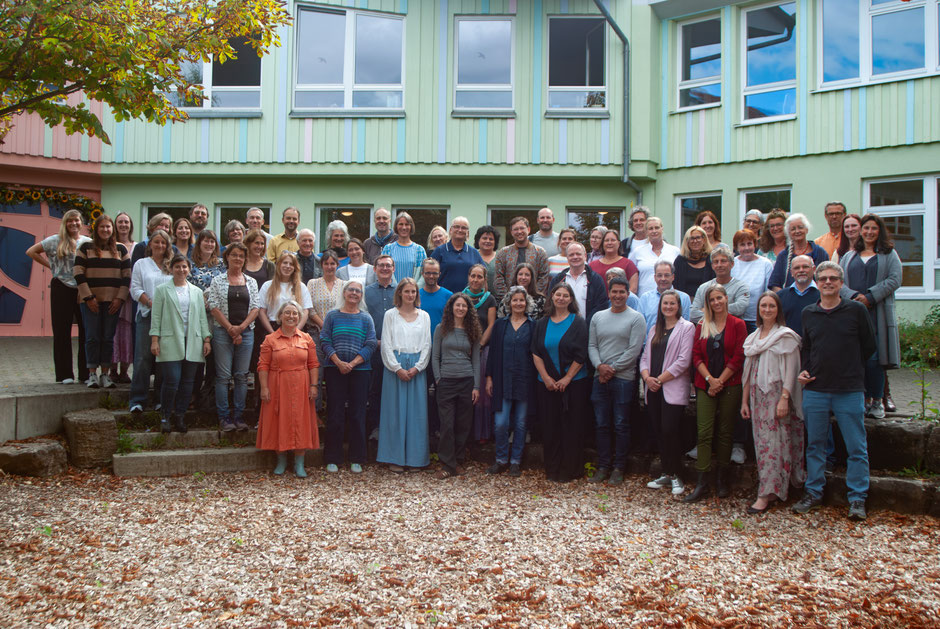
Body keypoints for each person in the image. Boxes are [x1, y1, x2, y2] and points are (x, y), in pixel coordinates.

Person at [793, 261, 876, 521]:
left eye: (833, 278)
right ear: (817, 283)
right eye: (823, 279)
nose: (828, 282)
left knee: (856, 447)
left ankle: (858, 498)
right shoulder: (809, 312)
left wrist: (849, 368)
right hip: (816, 389)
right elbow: (808, 347)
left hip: (848, 389)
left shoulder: (856, 310)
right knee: (815, 445)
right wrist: (805, 369)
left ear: (841, 283)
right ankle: (814, 492)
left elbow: (869, 346)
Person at [741, 291, 805, 514]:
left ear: (778, 310)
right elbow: (747, 373)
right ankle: (771, 488)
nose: (767, 310)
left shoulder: (786, 337)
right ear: (758, 309)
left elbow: (792, 371)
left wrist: (784, 399)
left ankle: (767, 492)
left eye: (771, 306)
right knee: (763, 446)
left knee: (776, 444)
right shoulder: (753, 338)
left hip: (777, 396)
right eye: (763, 306)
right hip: (757, 398)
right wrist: (744, 402)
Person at [684, 284, 747, 503]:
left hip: (730, 383)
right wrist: (711, 379)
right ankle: (702, 480)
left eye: (719, 298)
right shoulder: (703, 324)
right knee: (704, 432)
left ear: (726, 299)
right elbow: (696, 355)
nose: (716, 302)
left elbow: (739, 356)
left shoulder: (738, 324)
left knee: (725, 432)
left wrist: (721, 380)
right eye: (712, 300)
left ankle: (722, 478)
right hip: (705, 383)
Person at [838, 213, 902, 420]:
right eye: (866, 228)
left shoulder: (889, 254)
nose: (869, 232)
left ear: (879, 231)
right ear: (861, 231)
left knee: (875, 360)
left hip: (877, 315)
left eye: (874, 228)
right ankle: (862, 400)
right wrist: (853, 296)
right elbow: (839, 281)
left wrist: (870, 297)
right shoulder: (849, 256)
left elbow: (895, 279)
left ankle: (877, 401)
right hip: (853, 314)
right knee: (857, 360)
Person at [587, 276, 647, 486]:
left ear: (628, 294)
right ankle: (603, 465)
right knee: (601, 424)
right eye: (615, 291)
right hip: (599, 377)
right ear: (609, 293)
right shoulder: (598, 317)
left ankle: (619, 467)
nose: (618, 295)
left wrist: (612, 369)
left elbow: (634, 350)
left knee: (621, 424)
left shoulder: (636, 318)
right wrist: (599, 366)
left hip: (623, 378)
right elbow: (592, 345)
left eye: (622, 292)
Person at [532, 283, 590, 483]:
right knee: (550, 426)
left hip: (574, 384)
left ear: (571, 299)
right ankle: (552, 468)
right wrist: (546, 378)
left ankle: (570, 469)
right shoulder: (542, 323)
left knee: (571, 427)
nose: (561, 298)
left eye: (566, 295)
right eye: (558, 294)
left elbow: (581, 354)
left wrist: (567, 378)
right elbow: (535, 352)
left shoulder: (578, 323)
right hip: (546, 384)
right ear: (552, 297)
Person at [25, 209, 91, 384]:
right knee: (62, 331)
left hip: (83, 288)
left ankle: (86, 374)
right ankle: (64, 375)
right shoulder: (54, 240)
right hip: (61, 287)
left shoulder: (87, 242)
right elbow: (31, 251)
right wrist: (50, 266)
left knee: (86, 331)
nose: (74, 223)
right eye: (70, 221)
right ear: (65, 223)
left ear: (81, 222)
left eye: (77, 220)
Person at [257, 301, 320, 477]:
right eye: (287, 312)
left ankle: (299, 463)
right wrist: (264, 388)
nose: (291, 316)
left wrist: (314, 385)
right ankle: (281, 460)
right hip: (277, 385)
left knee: (301, 421)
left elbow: (314, 364)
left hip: (302, 386)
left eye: (295, 313)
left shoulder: (306, 338)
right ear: (280, 316)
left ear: (299, 317)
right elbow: (263, 365)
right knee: (278, 421)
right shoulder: (270, 339)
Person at [149, 254, 211, 433]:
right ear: (171, 269)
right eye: (177, 266)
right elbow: (156, 317)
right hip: (170, 340)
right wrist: (155, 340)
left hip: (193, 340)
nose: (181, 270)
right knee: (172, 380)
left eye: (184, 267)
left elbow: (202, 317)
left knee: (188, 382)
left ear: (189, 269)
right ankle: (165, 416)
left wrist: (206, 339)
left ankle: (180, 416)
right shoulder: (162, 290)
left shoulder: (196, 292)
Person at [641, 290, 695, 496]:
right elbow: (644, 357)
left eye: (672, 303)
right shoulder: (655, 328)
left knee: (670, 430)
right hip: (653, 387)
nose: (669, 307)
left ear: (679, 306)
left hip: (671, 387)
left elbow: (683, 360)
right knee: (659, 431)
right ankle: (666, 471)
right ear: (660, 306)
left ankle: (677, 475)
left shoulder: (687, 328)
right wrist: (647, 378)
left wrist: (660, 380)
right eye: (665, 303)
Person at [320, 282, 378, 473]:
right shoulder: (332, 316)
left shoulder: (366, 318)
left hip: (360, 371)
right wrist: (338, 362)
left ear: (361, 295)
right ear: (344, 293)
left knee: (357, 414)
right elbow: (325, 340)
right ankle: (332, 458)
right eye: (351, 290)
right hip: (334, 369)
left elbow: (371, 343)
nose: (354, 293)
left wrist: (352, 363)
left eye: (357, 291)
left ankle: (357, 458)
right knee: (335, 413)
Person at [377, 278, 432, 472]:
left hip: (416, 368)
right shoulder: (390, 315)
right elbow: (386, 344)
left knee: (417, 414)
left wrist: (418, 367)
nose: (410, 295)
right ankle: (395, 458)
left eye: (413, 291)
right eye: (407, 291)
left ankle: (416, 459)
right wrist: (396, 367)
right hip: (395, 367)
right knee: (394, 413)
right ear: (399, 292)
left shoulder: (424, 316)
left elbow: (427, 344)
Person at [206, 243, 261, 432]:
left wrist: (241, 328)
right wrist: (230, 328)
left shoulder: (251, 282)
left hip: (246, 333)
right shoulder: (217, 281)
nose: (238, 258)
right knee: (223, 377)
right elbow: (213, 306)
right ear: (227, 257)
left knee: (241, 376)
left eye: (241, 256)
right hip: (223, 332)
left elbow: (255, 307)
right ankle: (224, 417)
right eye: (234, 255)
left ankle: (238, 416)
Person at [74, 215, 131, 389]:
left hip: (113, 302)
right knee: (92, 337)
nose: (105, 230)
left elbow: (127, 276)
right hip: (90, 301)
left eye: (108, 227)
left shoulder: (120, 249)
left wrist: (120, 298)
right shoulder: (85, 247)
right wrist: (88, 297)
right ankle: (92, 374)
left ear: (112, 229)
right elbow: (78, 272)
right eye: (102, 227)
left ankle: (105, 374)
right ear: (96, 229)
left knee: (108, 338)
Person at [485, 286, 536, 477]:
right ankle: (500, 459)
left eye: (522, 300)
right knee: (501, 423)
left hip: (525, 380)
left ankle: (515, 461)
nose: (518, 303)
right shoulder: (500, 325)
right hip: (502, 380)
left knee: (521, 424)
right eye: (515, 300)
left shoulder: (533, 326)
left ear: (526, 303)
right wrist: (489, 377)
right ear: (509, 302)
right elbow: (492, 353)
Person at [433, 293, 482, 478]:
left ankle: (458, 461)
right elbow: (435, 356)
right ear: (451, 308)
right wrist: (438, 378)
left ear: (468, 309)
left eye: (464, 306)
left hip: (466, 381)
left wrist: (476, 386)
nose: (460, 308)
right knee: (446, 424)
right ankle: (447, 464)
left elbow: (476, 360)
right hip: (446, 381)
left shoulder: (473, 330)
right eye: (457, 305)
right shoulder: (441, 328)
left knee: (463, 425)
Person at [128, 229, 173, 410]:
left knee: (163, 358)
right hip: (147, 315)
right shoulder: (141, 264)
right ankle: (138, 400)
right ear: (150, 244)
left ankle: (160, 399)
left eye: (163, 242)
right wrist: (150, 302)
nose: (160, 245)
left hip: (167, 318)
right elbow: (135, 289)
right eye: (157, 242)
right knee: (142, 358)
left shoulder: (171, 264)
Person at [363, 255, 398, 437]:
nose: (385, 268)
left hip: (396, 350)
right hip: (373, 349)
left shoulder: (401, 291)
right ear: (375, 269)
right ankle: (375, 428)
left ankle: (393, 429)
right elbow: (361, 318)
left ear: (393, 269)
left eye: (388, 265)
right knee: (374, 390)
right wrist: (373, 341)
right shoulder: (365, 292)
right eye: (381, 265)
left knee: (394, 391)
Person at [463, 264, 497, 443]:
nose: (475, 280)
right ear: (468, 277)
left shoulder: (489, 299)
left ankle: (481, 433)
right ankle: (465, 434)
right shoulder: (461, 297)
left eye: (479, 277)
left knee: (482, 394)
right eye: (473, 276)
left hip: (483, 351)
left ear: (485, 279)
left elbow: (491, 324)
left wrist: (480, 345)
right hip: (463, 352)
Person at [550, 242, 609, 326]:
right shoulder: (558, 280)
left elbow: (601, 305)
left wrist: (585, 325)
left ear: (585, 256)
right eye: (571, 255)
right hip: (562, 327)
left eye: (578, 254)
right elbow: (550, 303)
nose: (575, 257)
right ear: (567, 257)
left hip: (588, 328)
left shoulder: (596, 280)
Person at [493, 216, 550, 301]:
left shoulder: (540, 253)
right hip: (508, 302)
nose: (519, 231)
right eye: (516, 229)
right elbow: (498, 277)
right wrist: (508, 299)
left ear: (528, 229)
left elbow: (543, 278)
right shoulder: (503, 253)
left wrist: (531, 299)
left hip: (534, 302)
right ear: (511, 232)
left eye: (522, 228)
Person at [769, 213, 830, 291]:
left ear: (806, 230)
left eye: (800, 227)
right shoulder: (783, 255)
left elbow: (828, 278)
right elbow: (775, 284)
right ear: (788, 233)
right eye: (793, 229)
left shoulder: (820, 252)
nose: (797, 231)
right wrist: (785, 297)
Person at [690, 245, 750, 323]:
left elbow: (740, 308)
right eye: (716, 262)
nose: (719, 265)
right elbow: (693, 314)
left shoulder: (741, 287)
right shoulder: (703, 288)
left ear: (732, 264)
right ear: (712, 266)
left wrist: (708, 310)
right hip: (708, 330)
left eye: (723, 261)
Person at [258, 251, 312, 334]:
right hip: (272, 328)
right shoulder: (267, 285)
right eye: (285, 263)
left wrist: (296, 331)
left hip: (295, 328)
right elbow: (261, 311)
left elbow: (306, 311)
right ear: (279, 265)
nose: (288, 266)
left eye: (291, 264)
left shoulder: (301, 287)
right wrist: (272, 333)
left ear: (295, 268)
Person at [731, 229, 774, 334]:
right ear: (736, 247)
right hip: (735, 318)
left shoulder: (766, 264)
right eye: (742, 244)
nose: (746, 248)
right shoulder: (731, 264)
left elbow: (769, 293)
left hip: (758, 319)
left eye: (749, 244)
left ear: (755, 244)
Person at [110, 211, 135, 383]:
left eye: (126, 222)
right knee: (113, 333)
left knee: (127, 334)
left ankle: (125, 371)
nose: (123, 225)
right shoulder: (109, 246)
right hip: (113, 295)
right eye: (120, 222)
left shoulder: (136, 246)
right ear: (115, 225)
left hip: (130, 298)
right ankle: (112, 370)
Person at [628, 217, 680, 296]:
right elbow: (630, 274)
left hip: (669, 298)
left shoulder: (674, 251)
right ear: (646, 231)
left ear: (662, 229)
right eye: (651, 228)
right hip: (644, 298)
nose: (654, 231)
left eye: (657, 227)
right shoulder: (638, 252)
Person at [432, 216, 483, 293]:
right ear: (450, 230)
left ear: (468, 233)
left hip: (468, 297)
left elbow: (483, 275)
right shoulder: (439, 251)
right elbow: (430, 275)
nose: (460, 230)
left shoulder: (474, 253)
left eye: (464, 228)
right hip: (445, 297)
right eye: (456, 227)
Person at [636, 261, 691, 332]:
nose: (663, 279)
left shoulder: (684, 298)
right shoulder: (645, 298)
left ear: (673, 277)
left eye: (667, 275)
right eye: (659, 275)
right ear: (655, 277)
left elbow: (686, 326)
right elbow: (640, 326)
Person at [778, 255, 819, 334]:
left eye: (805, 267)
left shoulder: (822, 296)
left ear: (814, 269)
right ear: (791, 272)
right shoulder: (780, 296)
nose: (801, 270)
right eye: (797, 268)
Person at [673, 225, 715, 300]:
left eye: (698, 237)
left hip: (707, 302)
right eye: (692, 238)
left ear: (704, 239)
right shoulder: (680, 261)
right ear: (687, 241)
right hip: (685, 302)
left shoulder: (711, 260)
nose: (695, 241)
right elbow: (675, 285)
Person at [382, 212, 426, 282]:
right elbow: (382, 272)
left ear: (411, 227)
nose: (404, 227)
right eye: (401, 224)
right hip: (391, 289)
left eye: (407, 224)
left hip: (413, 289)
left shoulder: (419, 250)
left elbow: (423, 275)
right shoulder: (388, 249)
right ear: (396, 226)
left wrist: (413, 287)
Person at [419, 259, 453, 337]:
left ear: (439, 274)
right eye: (428, 273)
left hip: (441, 340)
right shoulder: (416, 296)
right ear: (422, 274)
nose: (431, 276)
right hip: (420, 341)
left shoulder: (448, 295)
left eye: (434, 273)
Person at [474, 225, 500, 294]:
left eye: (491, 239)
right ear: (478, 240)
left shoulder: (501, 256)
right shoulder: (472, 255)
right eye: (484, 238)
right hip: (476, 297)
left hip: (499, 297)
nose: (487, 241)